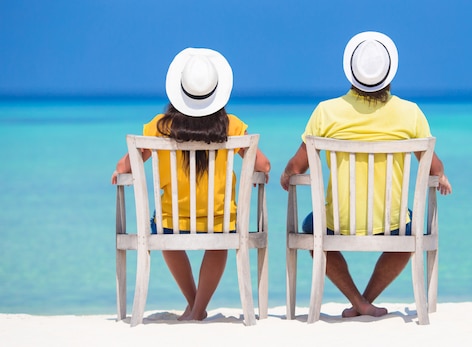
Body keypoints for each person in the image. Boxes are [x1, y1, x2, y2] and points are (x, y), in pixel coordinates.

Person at [280, 31, 452, 318]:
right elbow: (433, 168)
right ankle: (365, 301)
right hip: (392, 222)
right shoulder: (410, 113)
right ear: (388, 75)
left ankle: (358, 302)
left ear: (351, 74)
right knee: (413, 229)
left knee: (312, 225)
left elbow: (297, 167)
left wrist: (287, 175)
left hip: (338, 222)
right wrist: (443, 176)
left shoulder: (326, 112)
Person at [111, 48, 271, 321]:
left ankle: (193, 305)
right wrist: (257, 177)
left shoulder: (159, 127)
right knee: (219, 243)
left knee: (166, 240)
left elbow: (127, 165)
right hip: (221, 220)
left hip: (171, 222)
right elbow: (264, 165)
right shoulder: (231, 126)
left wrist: (118, 170)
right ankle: (197, 308)